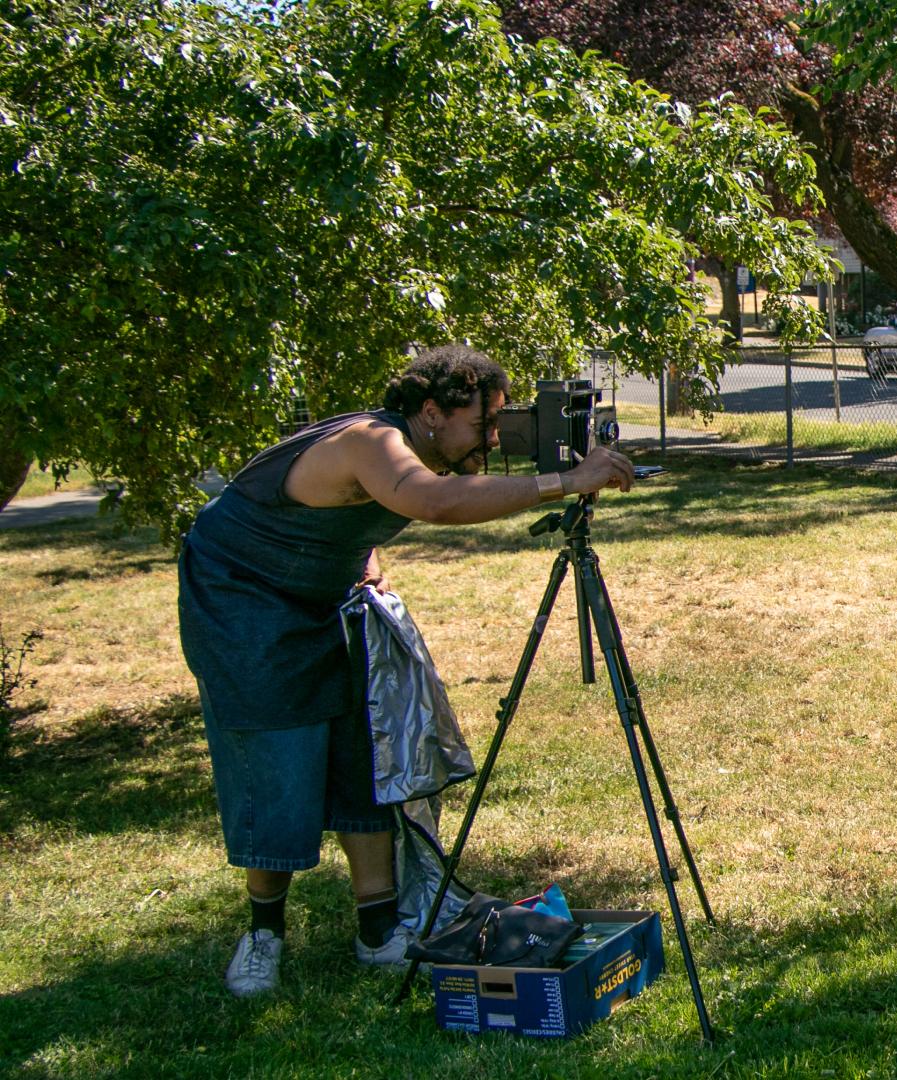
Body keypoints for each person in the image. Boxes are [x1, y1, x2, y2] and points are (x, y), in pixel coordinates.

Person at [177, 344, 636, 998]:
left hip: (323, 593)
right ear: (430, 412)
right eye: (482, 423)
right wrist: (565, 481)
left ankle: (378, 930)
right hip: (239, 599)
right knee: (276, 754)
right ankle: (262, 935)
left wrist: (358, 553)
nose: (492, 438)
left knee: (363, 751)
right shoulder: (372, 442)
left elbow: (335, 512)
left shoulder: (410, 447)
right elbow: (434, 502)